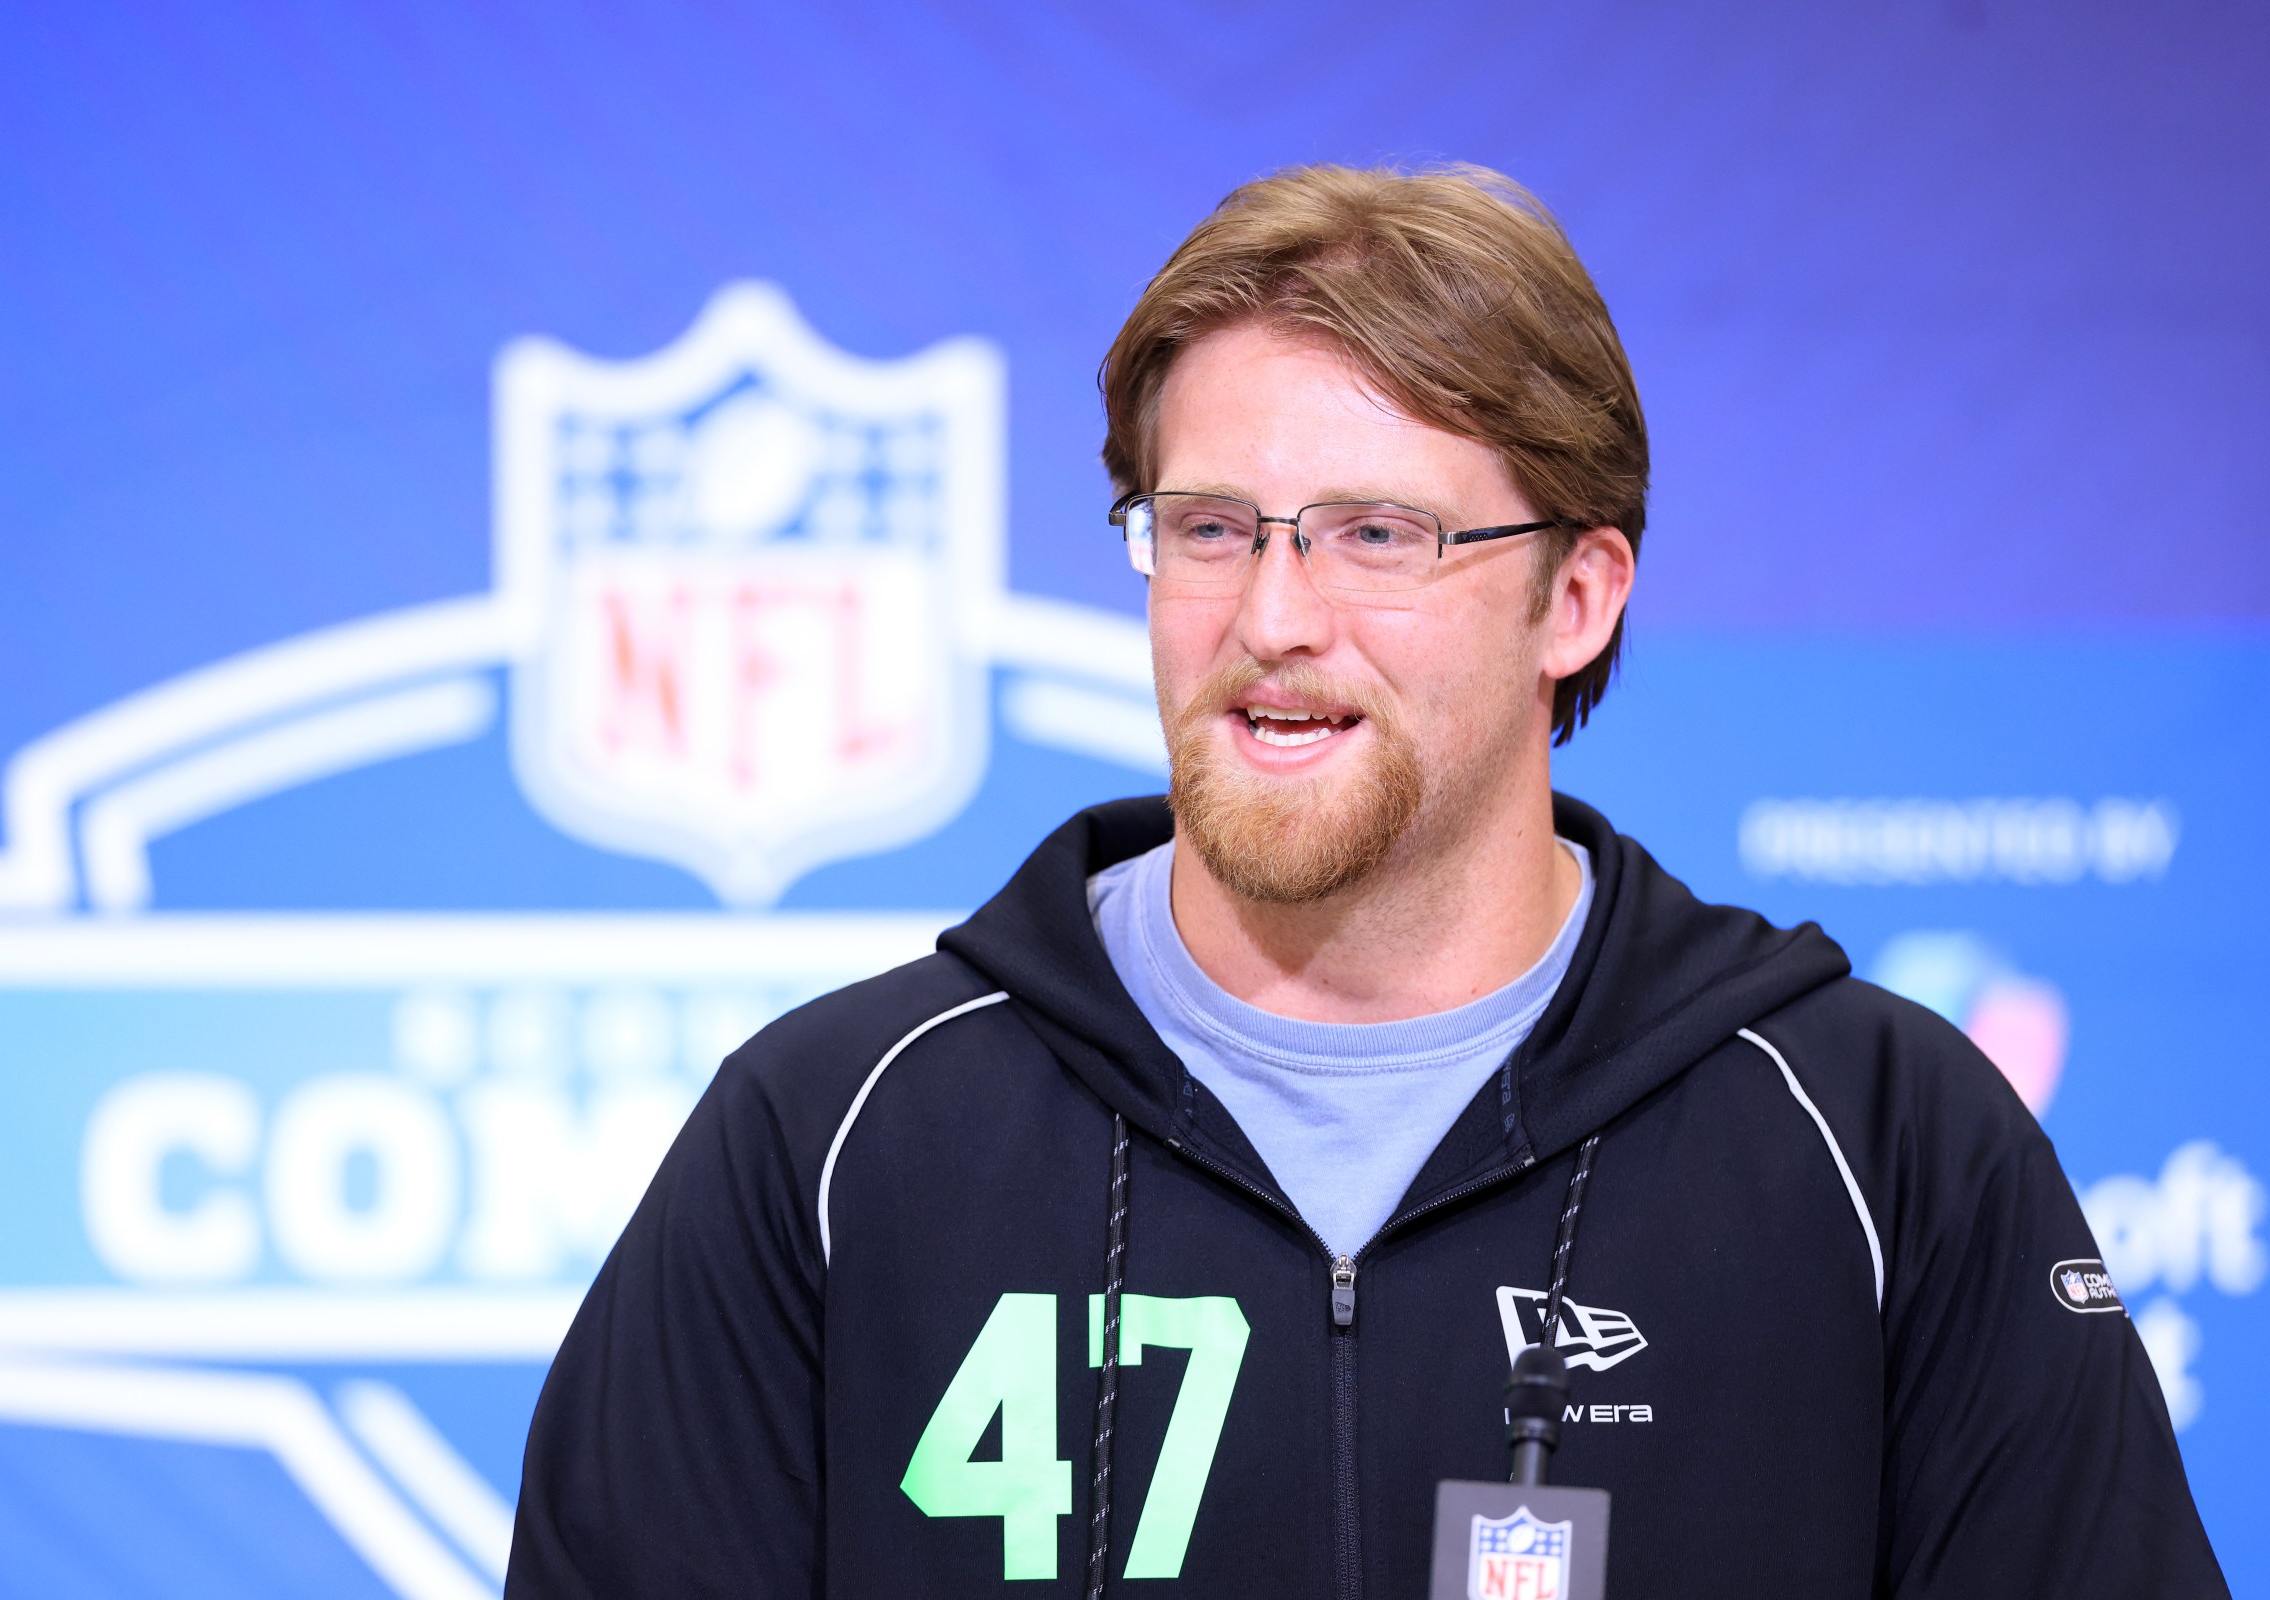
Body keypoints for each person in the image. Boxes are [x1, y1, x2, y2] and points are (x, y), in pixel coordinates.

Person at [504, 165, 2224, 1598]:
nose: (1269, 619)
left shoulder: (1880, 1142)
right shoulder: (830, 1137)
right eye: (1208, 527)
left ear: (1578, 597)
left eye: (1376, 535)